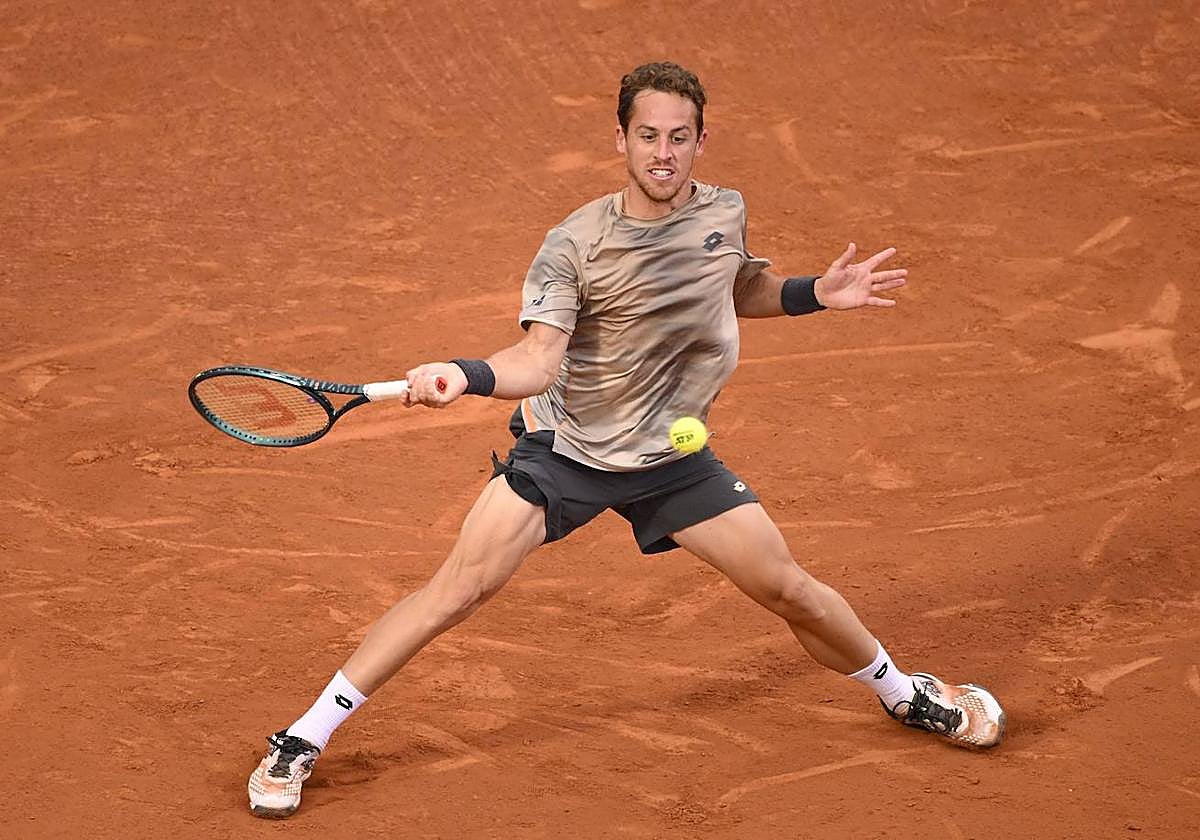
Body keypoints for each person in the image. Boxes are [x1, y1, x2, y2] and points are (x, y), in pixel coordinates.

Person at [247, 61, 1005, 819]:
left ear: (702, 141)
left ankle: (905, 694)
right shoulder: (575, 244)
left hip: (670, 459)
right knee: (456, 591)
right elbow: (537, 360)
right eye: (648, 136)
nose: (663, 154)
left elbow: (736, 287)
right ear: (621, 139)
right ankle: (302, 738)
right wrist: (465, 374)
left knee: (788, 588)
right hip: (567, 451)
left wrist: (815, 294)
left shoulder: (724, 211)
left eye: (679, 137)